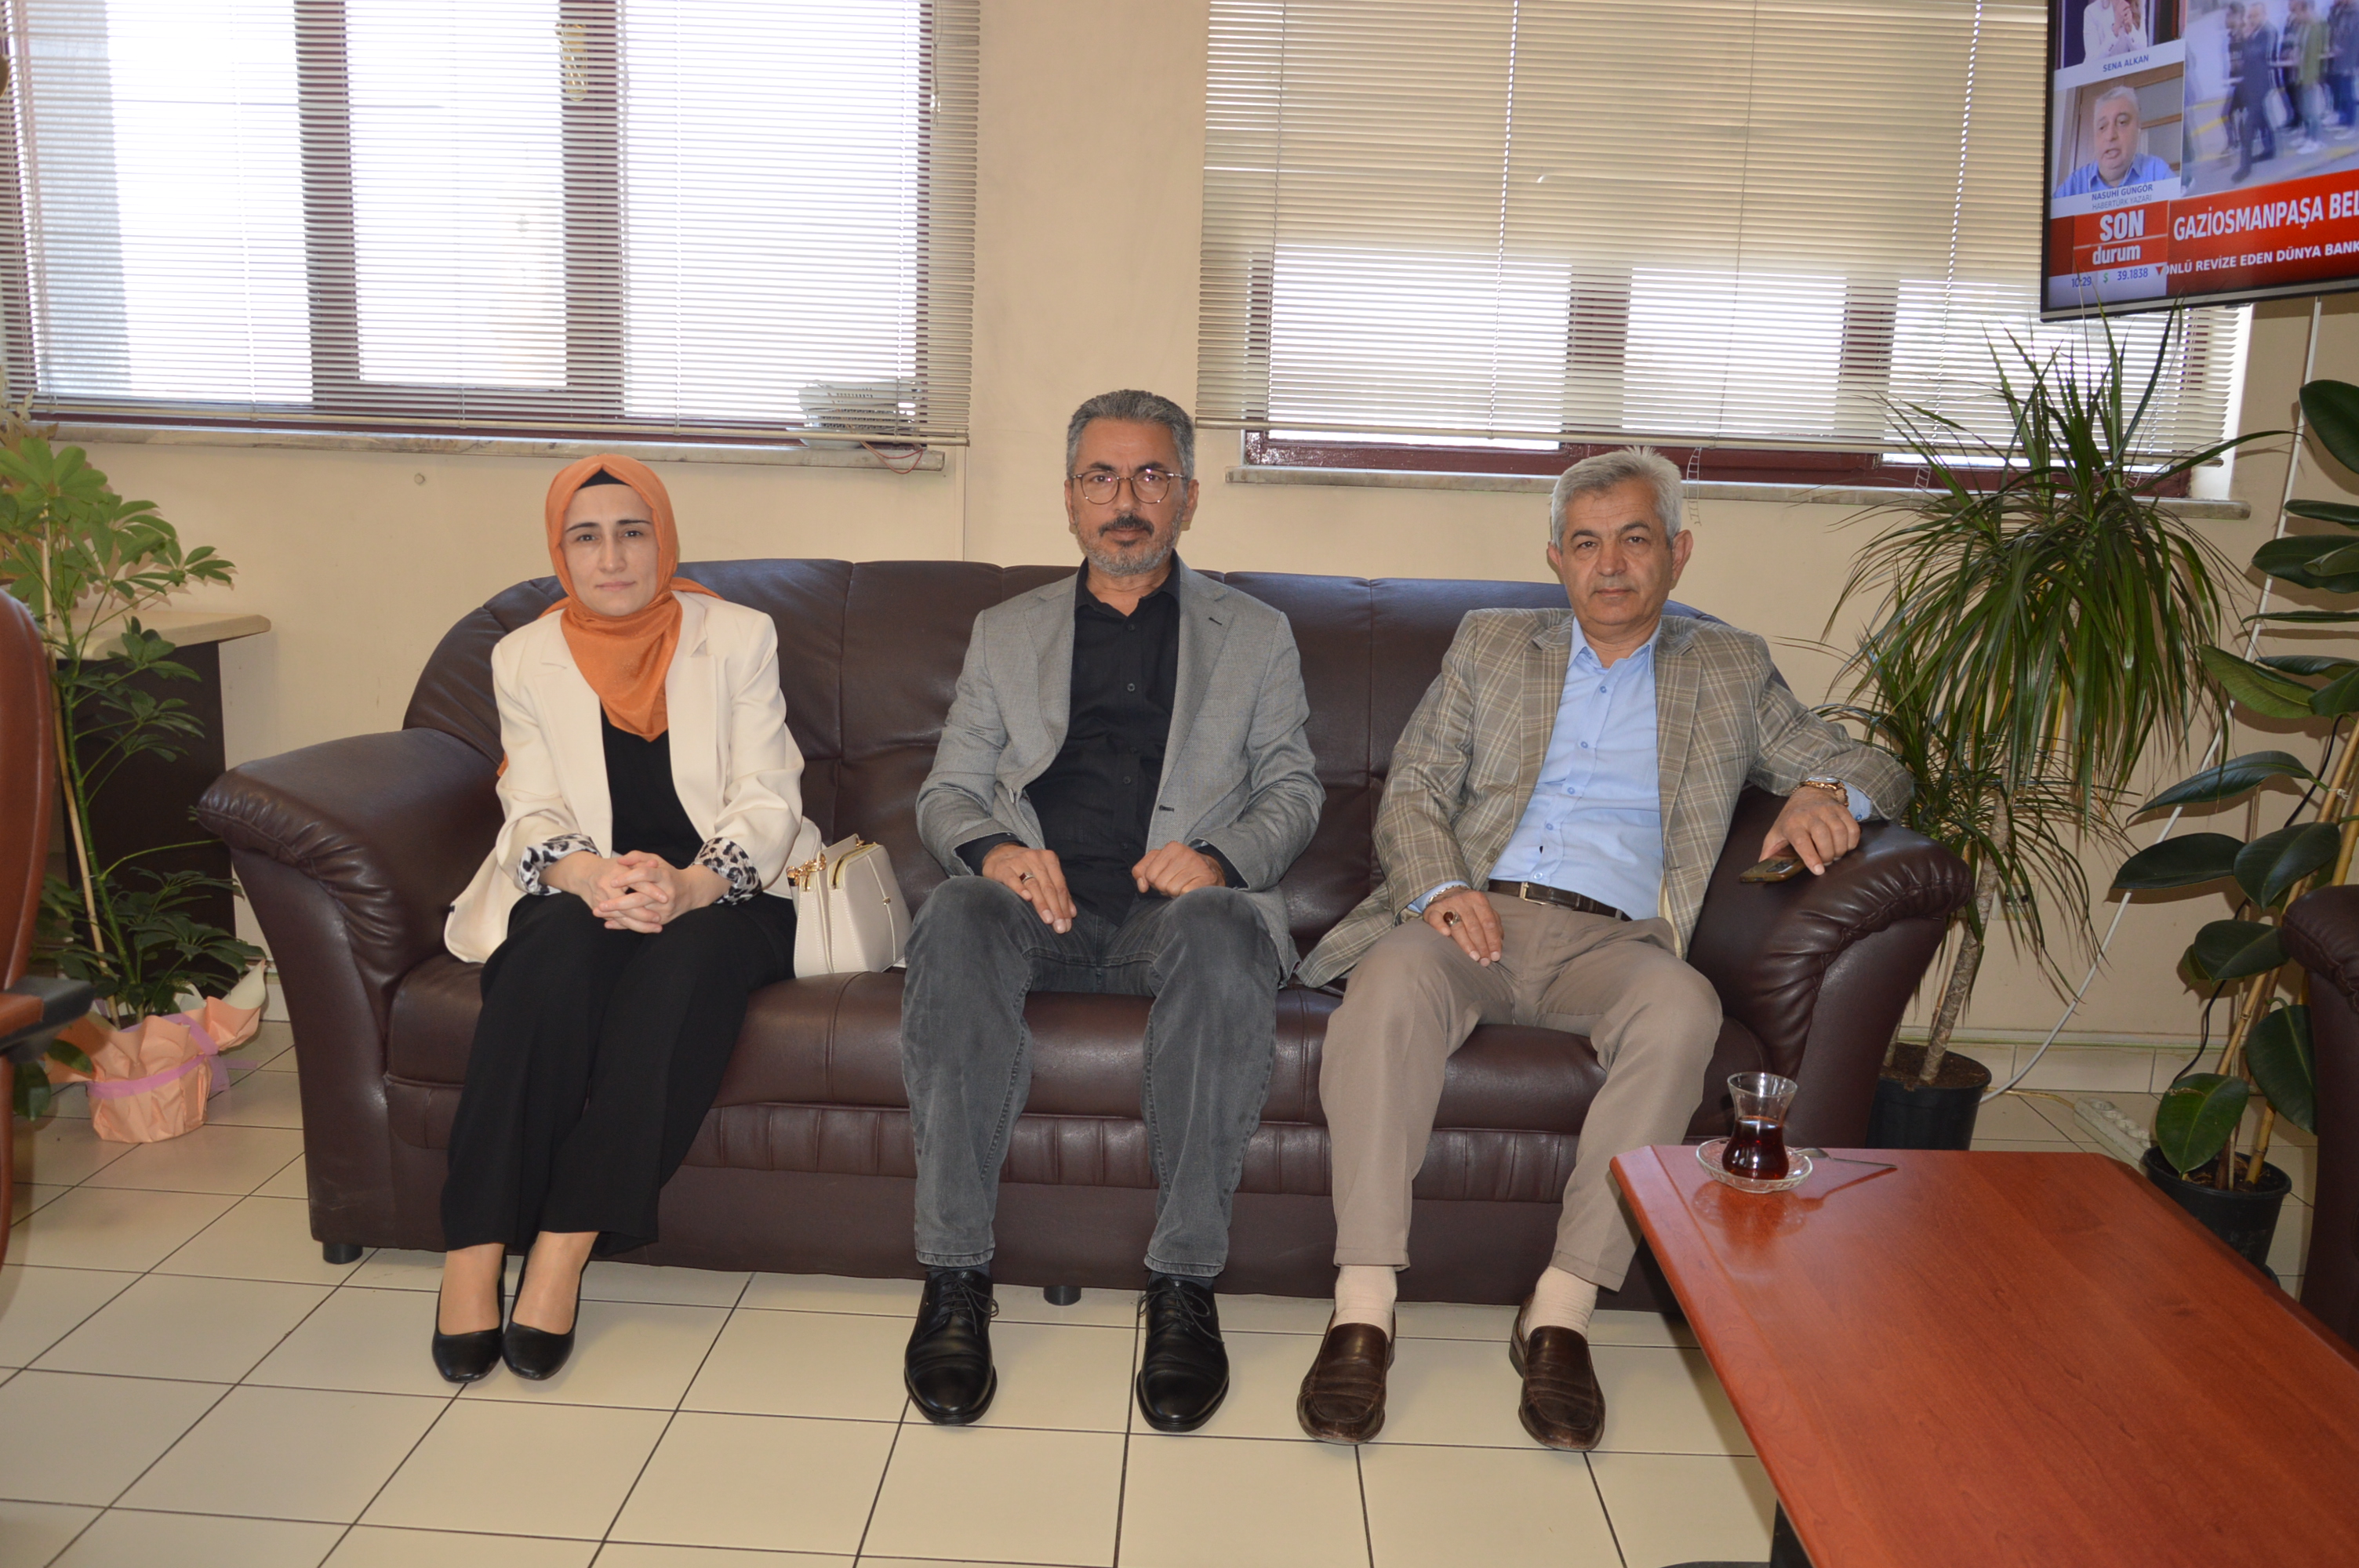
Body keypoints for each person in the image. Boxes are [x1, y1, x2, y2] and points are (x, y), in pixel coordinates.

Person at [1290, 448, 1911, 1450]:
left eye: (1633, 539)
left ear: (1677, 551)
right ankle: (1363, 1305)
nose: (1609, 564)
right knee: (1389, 980)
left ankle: (1561, 1309)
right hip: (1474, 916)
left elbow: (1867, 757)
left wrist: (1823, 791)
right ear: (1555, 558)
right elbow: (1414, 786)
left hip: (1617, 939)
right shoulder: (1492, 644)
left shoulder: (1727, 666)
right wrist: (1441, 888)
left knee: (1684, 1008)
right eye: (1585, 543)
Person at [896, 389, 1322, 1434]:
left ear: (1186, 496)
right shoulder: (1006, 632)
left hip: (1171, 919)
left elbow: (1293, 788)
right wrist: (997, 852)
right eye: (1101, 477)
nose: (1124, 499)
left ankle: (1183, 1283)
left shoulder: (1255, 634)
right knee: (953, 912)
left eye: (1149, 476)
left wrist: (1218, 859)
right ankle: (954, 1275)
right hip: (1033, 910)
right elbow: (947, 792)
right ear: (1070, 497)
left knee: (1225, 928)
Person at [431, 456, 805, 1385]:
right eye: (585, 536)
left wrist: (689, 884)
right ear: (559, 552)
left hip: (727, 890)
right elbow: (530, 804)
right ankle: (472, 1249)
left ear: (662, 539)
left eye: (632, 532)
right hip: (589, 883)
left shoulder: (739, 635)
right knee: (546, 958)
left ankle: (563, 1247)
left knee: (685, 967)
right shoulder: (522, 655)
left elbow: (767, 792)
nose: (611, 557)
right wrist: (593, 876)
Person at [2055, 83, 2178, 194]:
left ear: (2138, 129)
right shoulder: (2075, 184)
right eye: (2102, 127)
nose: (2110, 136)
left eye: (2122, 122)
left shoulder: (2156, 171)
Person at [2238, 2, 2284, 178]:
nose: (2251, 20)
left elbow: (2258, 54)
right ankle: (2270, 149)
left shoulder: (2268, 31)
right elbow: (2245, 58)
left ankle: (2245, 167)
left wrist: (2246, 39)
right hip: (2253, 83)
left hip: (2263, 83)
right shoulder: (2255, 33)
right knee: (2262, 118)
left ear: (2264, 15)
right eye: (2250, 16)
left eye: (2255, 16)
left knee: (2250, 124)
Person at [2330, 0, 2358, 133]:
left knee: (2348, 91)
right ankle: (2343, 118)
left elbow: (2354, 40)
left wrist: (2354, 62)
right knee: (2342, 90)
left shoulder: (2355, 13)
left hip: (2350, 59)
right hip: (2340, 57)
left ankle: (2350, 124)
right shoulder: (2340, 12)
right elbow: (2335, 31)